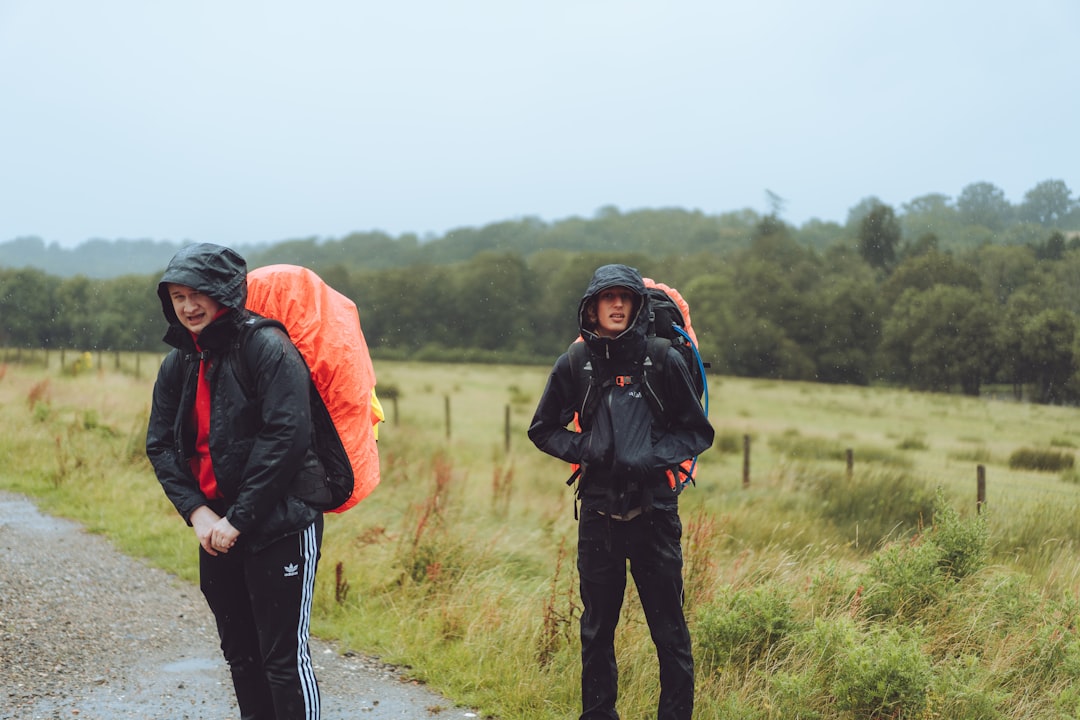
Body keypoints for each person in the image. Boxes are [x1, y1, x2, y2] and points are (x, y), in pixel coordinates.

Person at [146, 243, 324, 720]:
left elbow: (286, 437)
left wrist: (239, 518)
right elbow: (160, 444)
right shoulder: (180, 361)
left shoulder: (267, 346)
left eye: (197, 293)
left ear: (223, 291)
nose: (187, 306)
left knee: (283, 660)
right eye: (177, 296)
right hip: (217, 531)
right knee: (241, 657)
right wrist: (199, 513)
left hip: (281, 523)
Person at [528, 263, 714, 720]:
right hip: (598, 516)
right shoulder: (575, 364)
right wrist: (586, 447)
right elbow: (542, 428)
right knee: (595, 632)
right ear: (590, 309)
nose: (615, 304)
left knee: (670, 634)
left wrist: (649, 457)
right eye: (606, 297)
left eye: (624, 298)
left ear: (636, 306)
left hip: (655, 515)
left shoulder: (664, 359)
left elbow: (697, 433)